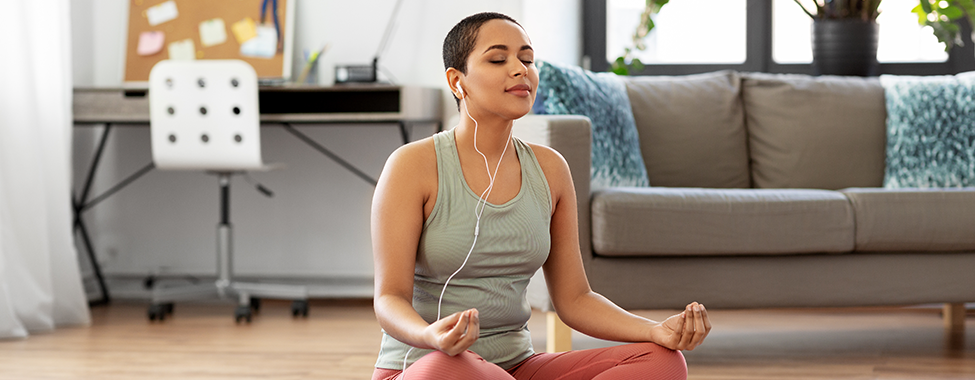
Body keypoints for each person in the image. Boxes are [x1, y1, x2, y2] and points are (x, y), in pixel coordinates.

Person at [370, 12, 711, 380]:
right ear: (457, 81)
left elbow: (575, 299)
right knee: (444, 368)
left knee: (662, 360)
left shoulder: (550, 168)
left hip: (517, 369)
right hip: (431, 366)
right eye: (498, 59)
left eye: (527, 59)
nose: (520, 69)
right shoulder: (412, 165)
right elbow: (389, 298)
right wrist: (429, 335)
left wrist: (654, 330)